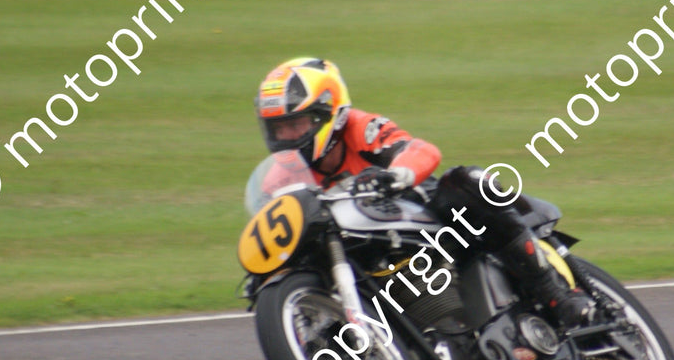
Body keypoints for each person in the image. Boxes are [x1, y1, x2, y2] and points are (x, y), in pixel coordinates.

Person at [254, 56, 595, 328]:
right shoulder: (279, 177)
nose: (287, 137)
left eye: (295, 124)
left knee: (465, 180)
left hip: (423, 216)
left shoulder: (361, 127)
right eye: (278, 128)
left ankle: (553, 292)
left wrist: (396, 173)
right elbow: (277, 221)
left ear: (328, 114)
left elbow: (421, 150)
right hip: (365, 253)